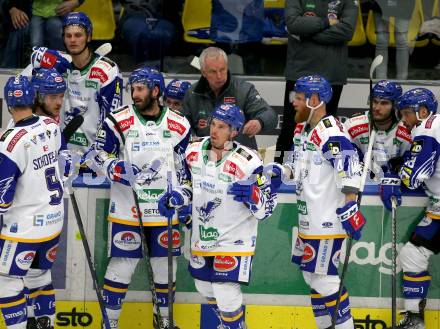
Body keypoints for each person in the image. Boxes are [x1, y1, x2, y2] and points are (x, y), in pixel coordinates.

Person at [158, 103, 277, 329]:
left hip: (235, 239)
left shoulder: (248, 161)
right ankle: (228, 323)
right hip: (203, 236)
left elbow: (268, 207)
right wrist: (177, 198)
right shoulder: (193, 152)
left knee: (226, 290)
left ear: (234, 131)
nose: (214, 131)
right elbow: (188, 187)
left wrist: (254, 196)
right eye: (213, 124)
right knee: (204, 286)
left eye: (222, 127)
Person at [91, 67, 191, 329]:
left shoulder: (180, 124)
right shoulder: (117, 120)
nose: (134, 94)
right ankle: (109, 323)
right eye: (132, 88)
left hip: (164, 212)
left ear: (156, 91)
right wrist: (114, 167)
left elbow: (186, 170)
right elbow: (96, 155)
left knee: (164, 269)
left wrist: (183, 197)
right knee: (121, 266)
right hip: (127, 209)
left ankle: (165, 321)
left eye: (140, 89)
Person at [285, 75, 364, 329]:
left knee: (324, 280)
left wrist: (351, 204)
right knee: (312, 277)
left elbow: (350, 163)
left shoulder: (329, 132)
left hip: (326, 221)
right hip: (309, 220)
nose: (293, 103)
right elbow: (294, 166)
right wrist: (279, 171)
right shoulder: (303, 130)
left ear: (314, 100)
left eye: (298, 98)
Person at [0, 75, 66, 329]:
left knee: (8, 282)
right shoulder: (51, 125)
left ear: (8, 103)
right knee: (39, 277)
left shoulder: (10, 142)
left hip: (24, 228)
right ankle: (45, 324)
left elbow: (2, 200)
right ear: (34, 97)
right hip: (52, 222)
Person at [381, 88, 439, 329]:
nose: (405, 119)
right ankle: (415, 319)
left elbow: (414, 177)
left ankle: (415, 320)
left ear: (423, 111)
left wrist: (396, 172)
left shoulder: (427, 128)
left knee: (413, 255)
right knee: (412, 255)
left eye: (407, 114)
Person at [30, 12, 123, 159]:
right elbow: (34, 57)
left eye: (78, 35)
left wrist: (98, 156)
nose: (73, 40)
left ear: (89, 37)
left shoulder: (107, 70)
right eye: (68, 36)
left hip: (95, 156)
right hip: (59, 153)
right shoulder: (58, 64)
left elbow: (113, 120)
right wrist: (46, 59)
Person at [275, 0, 358, 163]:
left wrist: (308, 34)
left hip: (332, 76)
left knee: (327, 128)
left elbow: (347, 31)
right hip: (298, 73)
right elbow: (293, 24)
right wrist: (326, 22)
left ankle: (328, 169)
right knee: (290, 127)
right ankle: (277, 171)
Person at [182, 46, 277, 150]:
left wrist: (260, 122)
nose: (219, 76)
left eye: (222, 70)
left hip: (240, 158)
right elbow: (183, 124)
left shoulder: (243, 90)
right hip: (205, 157)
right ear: (204, 73)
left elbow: (270, 115)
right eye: (213, 72)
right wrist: (191, 139)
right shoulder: (192, 93)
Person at [344, 80, 412, 179]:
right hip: (359, 184)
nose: (377, 108)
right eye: (374, 102)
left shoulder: (407, 129)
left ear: (395, 106)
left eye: (384, 103)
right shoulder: (352, 125)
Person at [371, 0, 414, 80]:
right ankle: (380, 79)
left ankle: (402, 79)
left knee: (401, 41)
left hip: (404, 5)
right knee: (381, 41)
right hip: (380, 5)